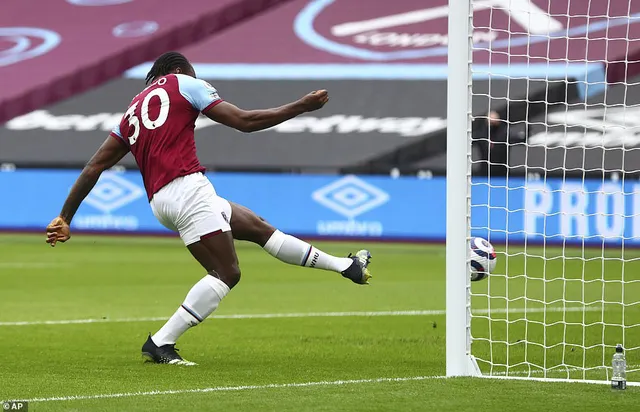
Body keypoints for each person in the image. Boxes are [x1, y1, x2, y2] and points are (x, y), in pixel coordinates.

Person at [45, 52, 373, 366]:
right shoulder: (185, 83)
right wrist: (301, 106)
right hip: (188, 189)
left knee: (257, 227)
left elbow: (94, 166)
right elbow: (244, 121)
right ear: (182, 70)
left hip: (161, 202)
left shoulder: (133, 110)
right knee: (226, 272)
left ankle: (346, 266)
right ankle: (161, 342)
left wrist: (65, 216)